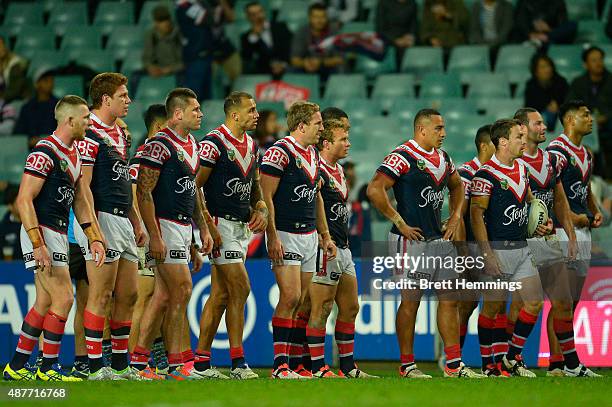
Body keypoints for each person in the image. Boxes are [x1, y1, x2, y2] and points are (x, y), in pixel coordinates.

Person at [367, 109, 483, 378]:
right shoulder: (402, 156)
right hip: (410, 240)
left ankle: (453, 364)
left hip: (438, 239)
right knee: (411, 302)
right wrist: (399, 221)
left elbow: (458, 187)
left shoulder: (444, 158)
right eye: (438, 128)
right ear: (421, 129)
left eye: (443, 128)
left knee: (450, 299)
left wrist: (454, 217)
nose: (443, 133)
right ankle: (407, 365)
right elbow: (374, 188)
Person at [3, 95, 106, 381]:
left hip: (59, 231)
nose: (89, 122)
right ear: (69, 120)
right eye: (85, 117)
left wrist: (94, 236)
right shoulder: (44, 151)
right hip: (42, 231)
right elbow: (24, 199)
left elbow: (81, 202)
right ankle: (47, 369)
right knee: (64, 297)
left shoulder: (74, 154)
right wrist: (37, 244)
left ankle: (17, 365)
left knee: (45, 301)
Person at [131, 88, 213, 380]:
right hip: (163, 225)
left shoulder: (192, 143)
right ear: (178, 113)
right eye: (195, 109)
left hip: (182, 227)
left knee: (164, 296)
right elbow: (143, 192)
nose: (201, 114)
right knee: (182, 289)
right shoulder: (159, 144)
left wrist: (200, 230)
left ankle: (140, 362)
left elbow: (193, 193)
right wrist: (154, 235)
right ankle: (180, 362)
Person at [513, 107, 600, 377]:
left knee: (566, 301)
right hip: (530, 239)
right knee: (526, 303)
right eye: (538, 123)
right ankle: (508, 359)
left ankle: (566, 364)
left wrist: (576, 226)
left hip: (555, 235)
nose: (543, 126)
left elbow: (564, 196)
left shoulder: (554, 159)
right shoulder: (531, 158)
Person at [74, 73, 146, 380]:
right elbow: (83, 187)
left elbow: (123, 182)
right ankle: (94, 366)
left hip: (122, 218)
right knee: (100, 293)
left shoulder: (122, 134)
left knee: (128, 294)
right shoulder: (89, 133)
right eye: (123, 95)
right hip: (100, 216)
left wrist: (137, 220)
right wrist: (93, 231)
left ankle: (119, 365)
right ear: (106, 99)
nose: (128, 100)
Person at [260, 101, 337, 379]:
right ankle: (279, 365)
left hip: (308, 236)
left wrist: (324, 235)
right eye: (318, 123)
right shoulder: (279, 152)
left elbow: (316, 195)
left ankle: (294, 364)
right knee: (290, 296)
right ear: (301, 125)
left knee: (303, 300)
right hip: (285, 233)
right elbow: (265, 195)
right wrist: (271, 237)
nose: (322, 128)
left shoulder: (314, 155)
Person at [193, 92, 266, 379]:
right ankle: (238, 362)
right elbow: (194, 185)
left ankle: (201, 363)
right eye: (251, 109)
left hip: (241, 227)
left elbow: (255, 183)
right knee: (241, 288)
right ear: (234, 115)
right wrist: (207, 226)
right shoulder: (214, 143)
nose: (256, 114)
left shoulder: (251, 144)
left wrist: (260, 206)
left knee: (221, 294)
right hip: (220, 224)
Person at [470, 119, 550, 377]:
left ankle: (511, 357)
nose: (524, 142)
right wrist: (486, 254)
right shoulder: (485, 175)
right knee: (492, 309)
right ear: (503, 141)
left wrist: (540, 220)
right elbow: (476, 216)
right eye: (519, 137)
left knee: (535, 302)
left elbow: (529, 201)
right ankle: (487, 364)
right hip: (497, 250)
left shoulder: (522, 169)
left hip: (522, 247)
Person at [308, 113, 377, 378]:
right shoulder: (317, 170)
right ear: (326, 143)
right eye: (343, 139)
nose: (348, 143)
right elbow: (312, 206)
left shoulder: (338, 170)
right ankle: (317, 367)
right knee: (322, 308)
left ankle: (348, 367)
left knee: (350, 307)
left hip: (344, 247)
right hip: (325, 246)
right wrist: (322, 237)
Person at [547, 101, 604, 322]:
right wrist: (570, 217)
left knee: (575, 300)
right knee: (563, 302)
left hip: (584, 230)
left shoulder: (587, 154)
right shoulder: (556, 152)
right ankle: (560, 358)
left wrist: (594, 209)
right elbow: (548, 190)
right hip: (563, 230)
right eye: (586, 115)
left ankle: (566, 355)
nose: (591, 119)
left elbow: (585, 186)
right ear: (570, 120)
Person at [127, 104, 168, 374]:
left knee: (160, 296)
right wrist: (141, 230)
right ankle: (132, 362)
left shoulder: (162, 153)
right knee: (144, 297)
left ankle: (152, 359)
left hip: (157, 233)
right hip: (143, 235)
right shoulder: (144, 154)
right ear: (158, 127)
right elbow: (134, 192)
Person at [456, 125, 495, 358]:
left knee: (492, 304)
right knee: (466, 304)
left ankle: (491, 361)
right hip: (470, 246)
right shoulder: (466, 173)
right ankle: (453, 357)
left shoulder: (495, 173)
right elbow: (458, 215)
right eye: (495, 142)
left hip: (490, 246)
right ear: (483, 145)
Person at [175, 0, 241, 100]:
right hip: (196, 56)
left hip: (205, 54)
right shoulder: (185, 5)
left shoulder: (202, 3)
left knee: (206, 95)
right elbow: (208, 18)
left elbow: (228, 18)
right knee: (194, 96)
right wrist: (219, 6)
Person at [566, 47, 612, 176]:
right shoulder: (578, 83)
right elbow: (570, 106)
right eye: (594, 60)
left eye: (600, 59)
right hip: (585, 123)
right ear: (585, 64)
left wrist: (606, 117)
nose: (598, 63)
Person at [291, 3, 344, 77]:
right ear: (310, 18)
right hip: (306, 67)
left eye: (323, 17)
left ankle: (336, 88)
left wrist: (320, 63)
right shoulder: (302, 32)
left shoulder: (334, 31)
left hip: (327, 67)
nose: (319, 20)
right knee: (293, 70)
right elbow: (295, 59)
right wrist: (305, 63)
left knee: (340, 68)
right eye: (316, 17)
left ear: (327, 18)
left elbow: (340, 59)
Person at [240, 1, 292, 76]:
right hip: (263, 73)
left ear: (264, 12)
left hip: (286, 68)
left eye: (260, 12)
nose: (258, 16)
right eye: (253, 14)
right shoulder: (246, 38)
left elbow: (291, 48)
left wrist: (283, 65)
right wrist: (255, 36)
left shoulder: (281, 27)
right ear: (248, 17)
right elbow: (248, 60)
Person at [13, 70, 58, 149]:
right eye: (46, 81)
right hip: (29, 151)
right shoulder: (27, 108)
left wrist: (43, 140)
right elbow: (18, 134)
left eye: (52, 80)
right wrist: (29, 141)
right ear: (37, 84)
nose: (51, 84)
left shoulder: (60, 106)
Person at [524, 54, 569, 132]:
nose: (547, 70)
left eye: (549, 66)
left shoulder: (561, 82)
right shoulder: (531, 85)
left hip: (560, 118)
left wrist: (557, 106)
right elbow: (529, 107)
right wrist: (547, 105)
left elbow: (568, 101)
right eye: (543, 67)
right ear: (535, 71)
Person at [142, 6, 184, 79]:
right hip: (159, 70)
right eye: (161, 21)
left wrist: (170, 69)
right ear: (156, 23)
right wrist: (151, 67)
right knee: (135, 77)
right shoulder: (151, 36)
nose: (166, 23)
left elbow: (186, 62)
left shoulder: (179, 34)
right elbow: (147, 59)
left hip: (177, 71)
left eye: (167, 19)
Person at [375, 0, 417, 68]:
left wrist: (410, 36)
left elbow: (413, 24)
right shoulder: (383, 3)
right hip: (387, 37)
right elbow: (380, 29)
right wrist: (395, 40)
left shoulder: (412, 3)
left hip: (405, 37)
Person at [0, 36, 28, 102]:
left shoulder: (15, 63)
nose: (1, 47)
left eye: (2, 44)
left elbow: (14, 91)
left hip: (19, 100)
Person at [0, 184, 22, 260]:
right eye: (19, 203)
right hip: (9, 269)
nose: (24, 205)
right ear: (10, 206)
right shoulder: (2, 228)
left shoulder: (36, 223)